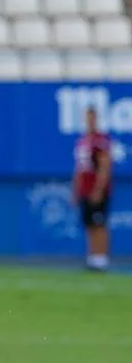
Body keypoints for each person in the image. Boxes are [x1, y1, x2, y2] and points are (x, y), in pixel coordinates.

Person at [73, 106, 113, 272]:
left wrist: (98, 189)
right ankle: (93, 257)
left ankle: (102, 258)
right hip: (84, 189)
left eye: (92, 118)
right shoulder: (82, 141)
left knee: (99, 224)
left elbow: (105, 166)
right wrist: (75, 191)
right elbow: (79, 169)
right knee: (89, 224)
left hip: (96, 190)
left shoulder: (100, 141)